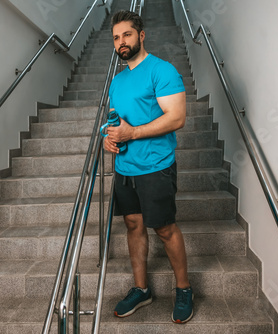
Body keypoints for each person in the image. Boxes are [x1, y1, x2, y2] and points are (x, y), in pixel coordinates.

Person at [104, 10, 193, 324]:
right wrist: (109, 137)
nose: (121, 42)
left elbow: (176, 118)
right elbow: (115, 119)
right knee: (132, 224)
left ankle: (184, 289)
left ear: (141, 36)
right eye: (116, 37)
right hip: (126, 167)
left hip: (156, 165)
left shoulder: (162, 71)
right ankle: (141, 289)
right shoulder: (118, 80)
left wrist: (134, 133)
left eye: (127, 34)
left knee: (165, 228)